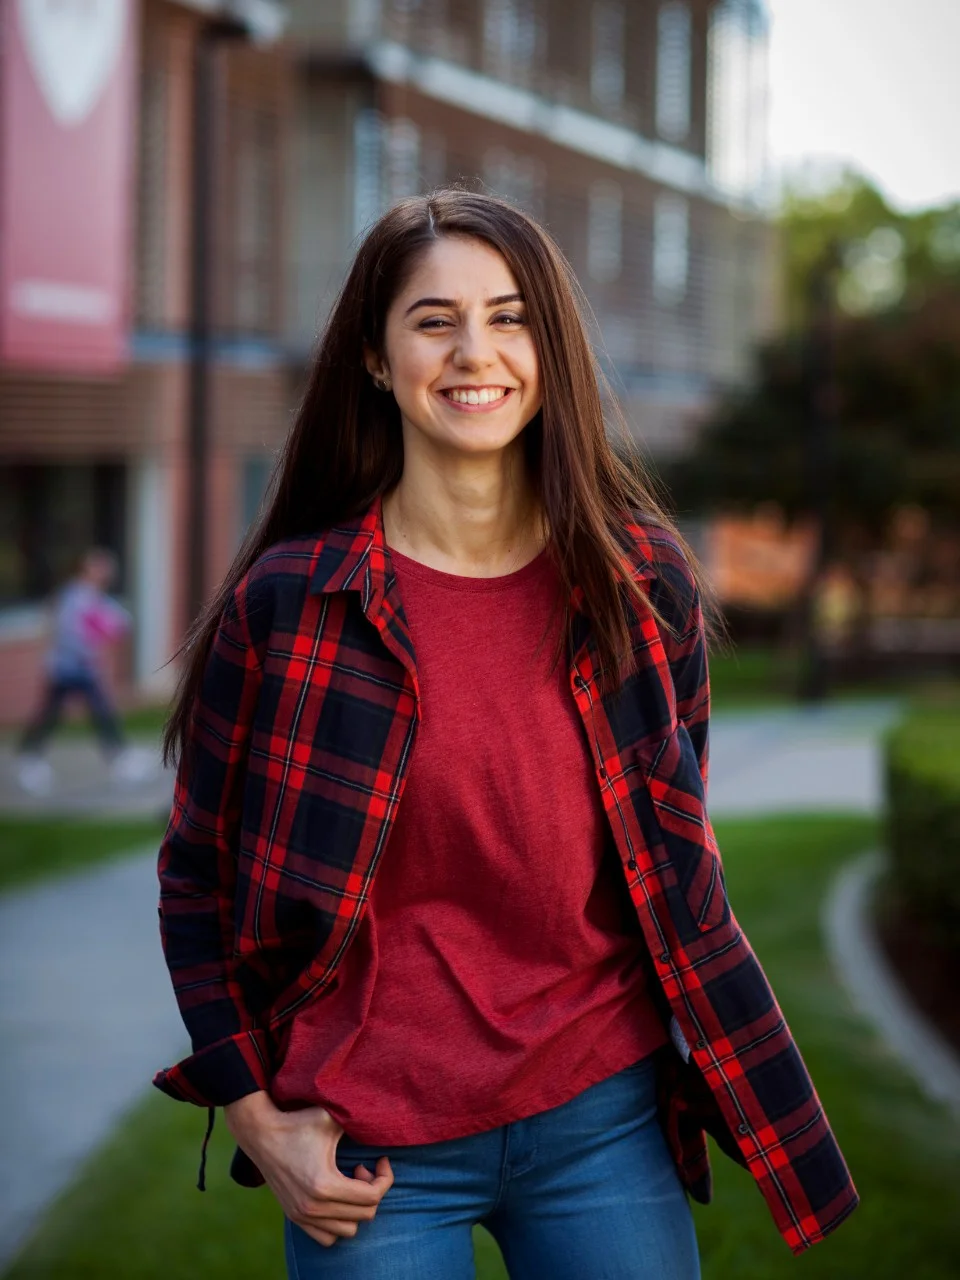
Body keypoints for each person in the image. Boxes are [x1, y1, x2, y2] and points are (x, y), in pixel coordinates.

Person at [155, 191, 857, 1279]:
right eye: (433, 320)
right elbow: (196, 876)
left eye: (510, 317)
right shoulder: (291, 606)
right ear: (377, 359)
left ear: (550, 348)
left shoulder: (641, 585)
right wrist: (251, 1111)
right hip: (370, 1142)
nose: (474, 353)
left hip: (601, 1116)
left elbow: (672, 858)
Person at [17, 547, 149, 795]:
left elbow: (120, 620)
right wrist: (92, 644)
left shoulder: (94, 597)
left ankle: (119, 757)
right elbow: (68, 632)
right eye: (99, 566)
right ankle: (29, 758)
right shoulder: (73, 596)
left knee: (100, 711)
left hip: (83, 668)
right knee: (52, 714)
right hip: (66, 668)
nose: (105, 572)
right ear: (86, 569)